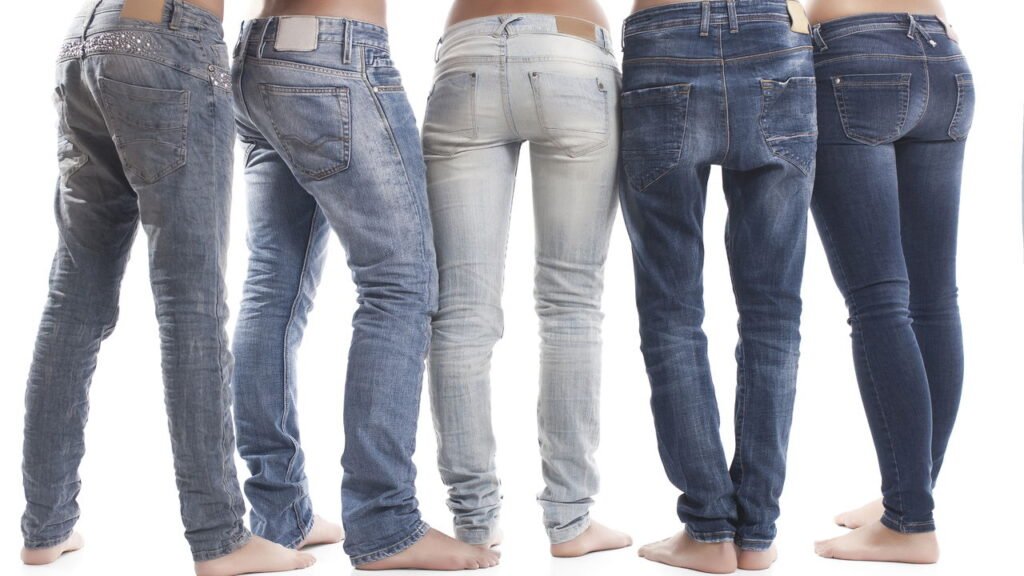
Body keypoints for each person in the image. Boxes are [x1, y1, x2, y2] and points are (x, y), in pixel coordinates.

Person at [20, 1, 316, 574]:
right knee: (191, 305)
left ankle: (44, 527)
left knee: (72, 298)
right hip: (169, 42)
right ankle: (220, 538)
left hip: (87, 40)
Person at [229, 0, 499, 570]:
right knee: (398, 284)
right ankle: (385, 522)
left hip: (257, 57)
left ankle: (279, 514)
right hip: (333, 58)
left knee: (271, 286)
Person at [424, 0, 632, 559]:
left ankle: (473, 522)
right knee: (572, 304)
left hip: (466, 54)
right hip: (571, 50)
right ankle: (570, 520)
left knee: (461, 313)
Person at [621, 0, 818, 572]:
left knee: (671, 311)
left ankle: (709, 529)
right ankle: (755, 534)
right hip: (774, 37)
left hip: (665, 37)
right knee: (774, 314)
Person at [806, 0, 971, 563]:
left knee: (879, 303)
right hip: (942, 55)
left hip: (854, 59)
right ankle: (907, 495)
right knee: (935, 300)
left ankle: (908, 521)